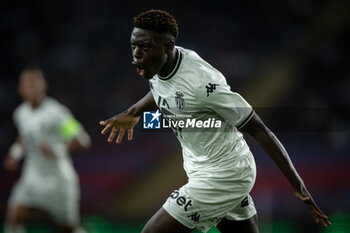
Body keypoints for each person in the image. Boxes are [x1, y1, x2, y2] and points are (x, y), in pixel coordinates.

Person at [99, 9, 331, 233]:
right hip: (201, 169)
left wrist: (298, 185)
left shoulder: (203, 83)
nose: (136, 54)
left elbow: (260, 131)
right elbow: (163, 89)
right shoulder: (159, 63)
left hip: (225, 175)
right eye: (133, 46)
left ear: (168, 46)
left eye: (144, 47)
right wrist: (134, 112)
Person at [3, 68, 91, 233]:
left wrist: (57, 150)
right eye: (27, 84)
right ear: (20, 89)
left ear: (43, 86)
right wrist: (15, 153)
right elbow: (24, 136)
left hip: (57, 181)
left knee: (68, 228)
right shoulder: (21, 113)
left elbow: (81, 140)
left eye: (35, 83)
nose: (32, 88)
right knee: (14, 218)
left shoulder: (56, 113)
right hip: (32, 177)